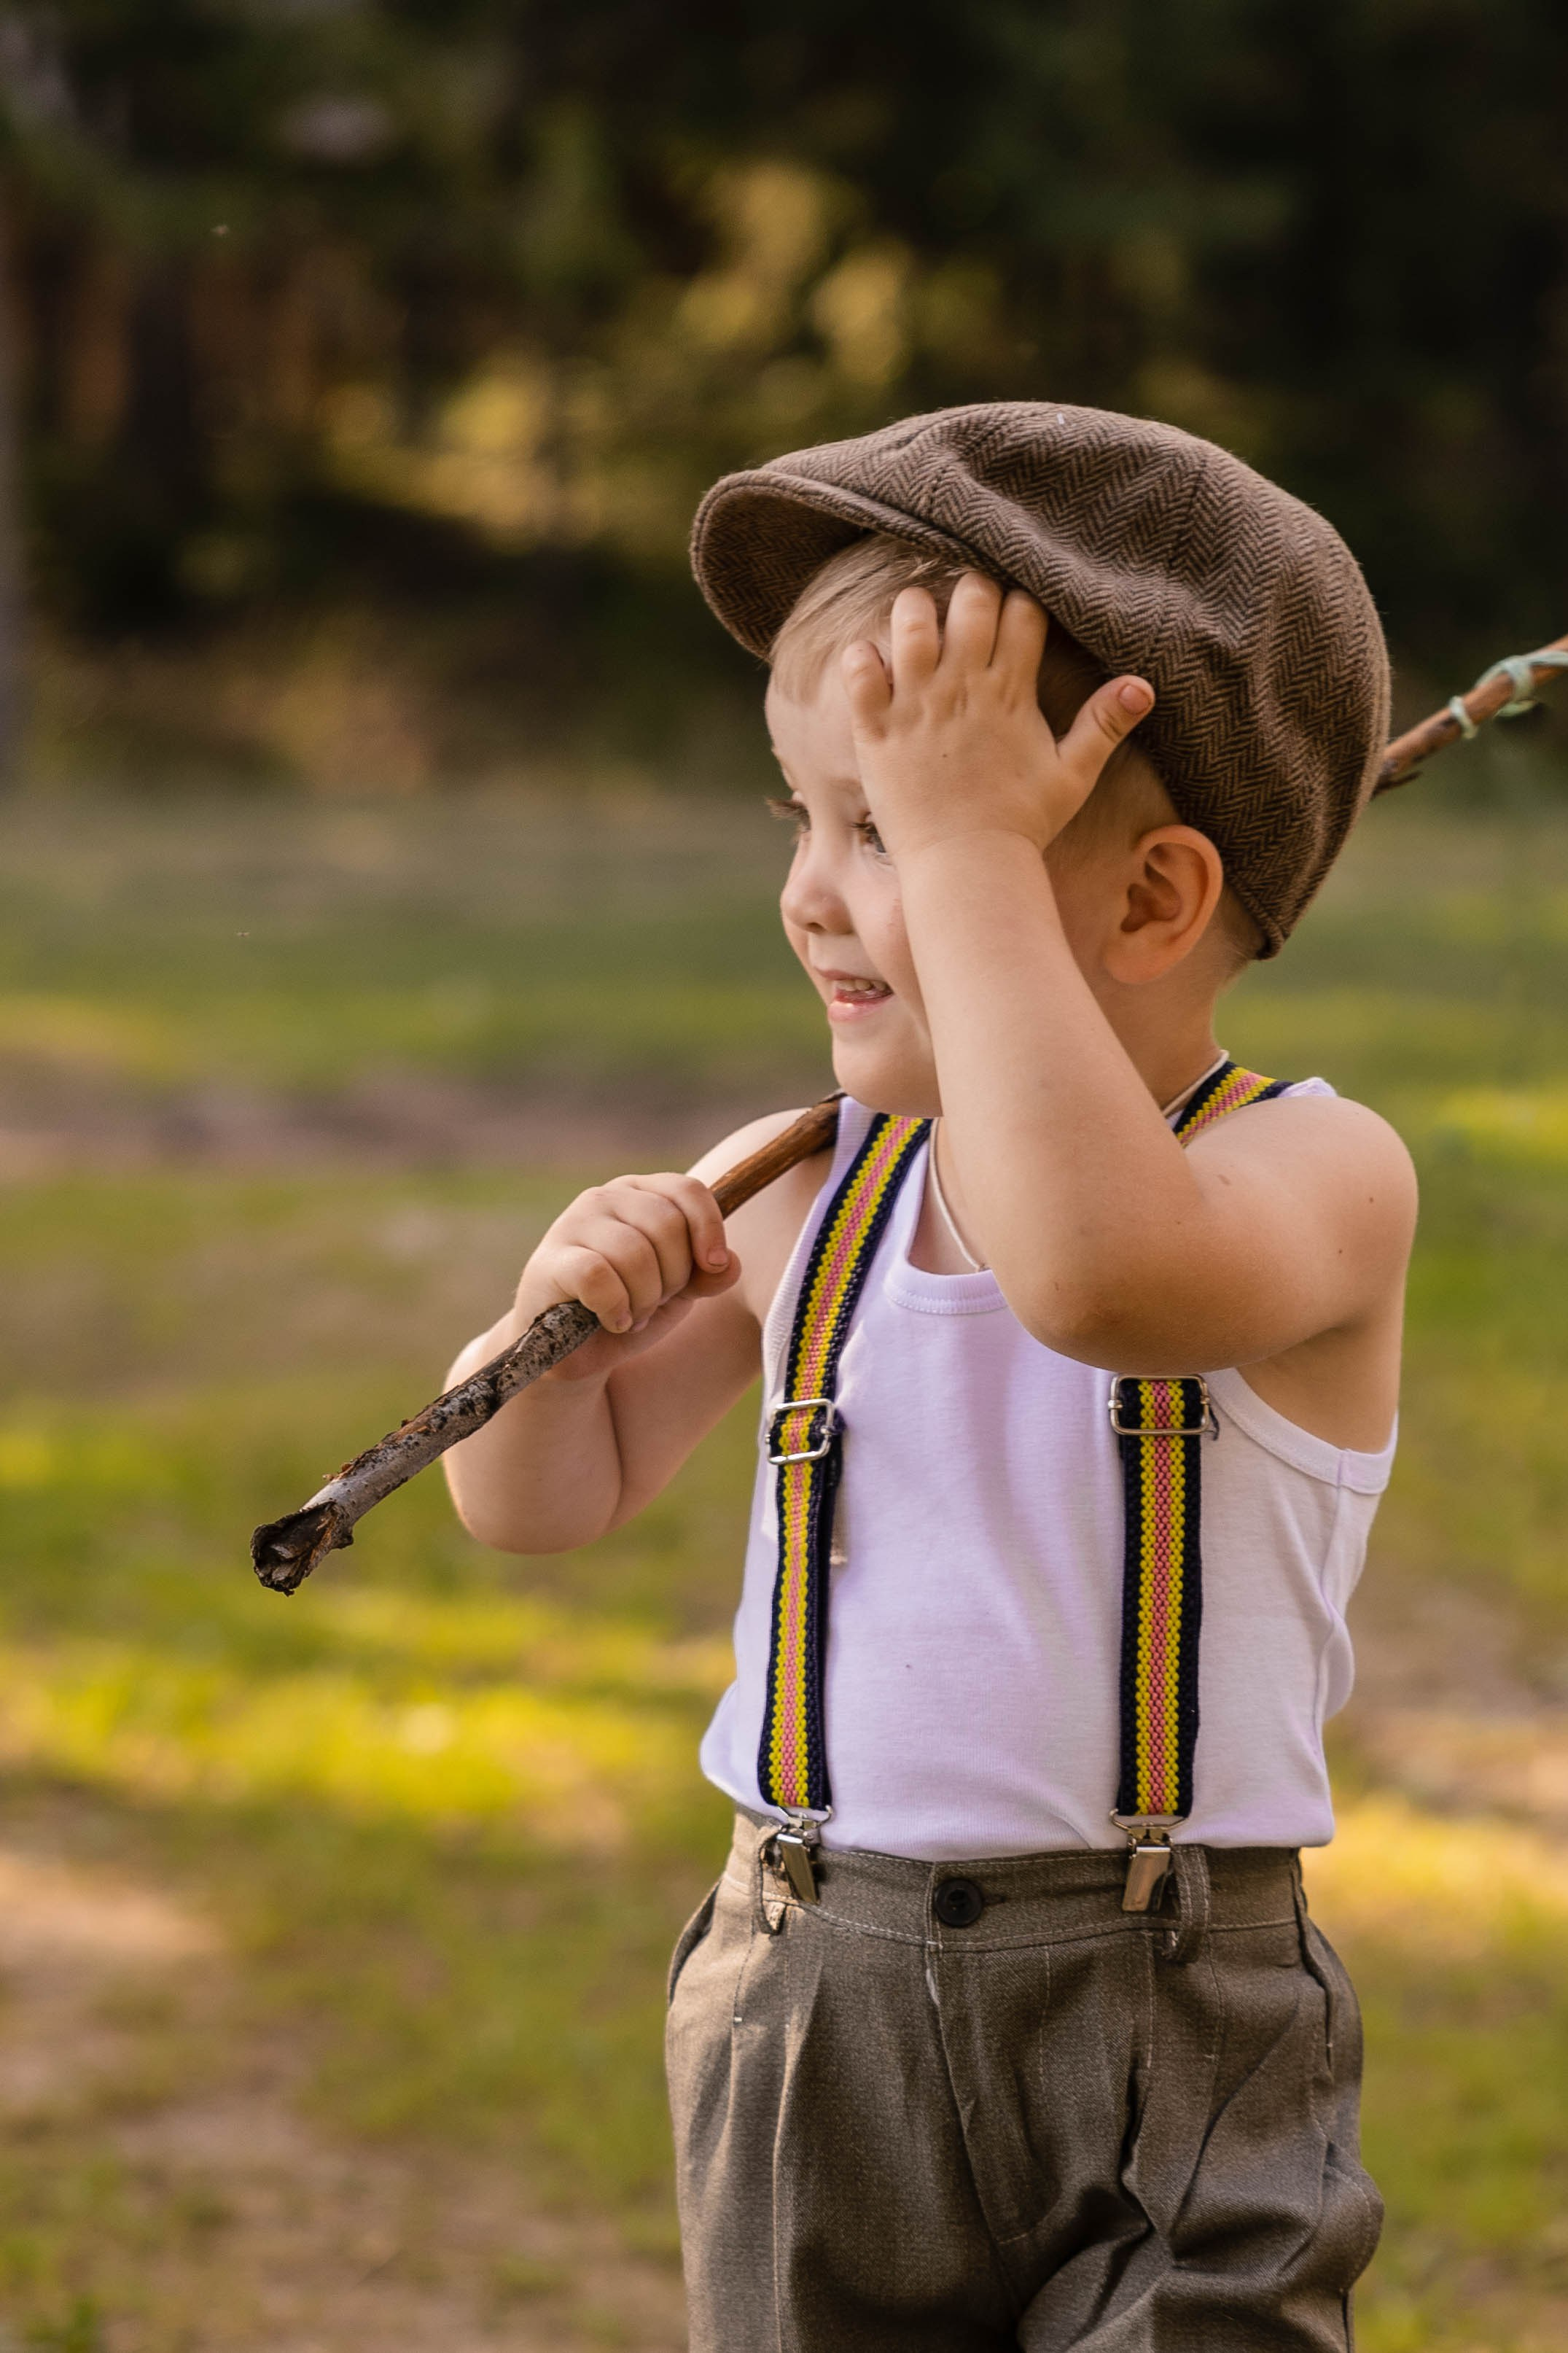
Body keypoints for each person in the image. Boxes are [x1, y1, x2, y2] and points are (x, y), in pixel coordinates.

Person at [442, 403, 1416, 2352]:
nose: (814, 891)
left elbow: (1100, 1276)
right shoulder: (813, 1190)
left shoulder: (1312, 1175)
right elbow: (537, 1502)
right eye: (805, 814)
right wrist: (542, 1343)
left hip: (1176, 2025)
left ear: (1149, 903)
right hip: (813, 2005)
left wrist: (967, 858)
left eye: (881, 825)